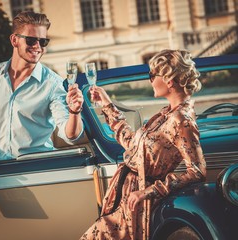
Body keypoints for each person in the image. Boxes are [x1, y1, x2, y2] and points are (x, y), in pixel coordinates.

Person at [80, 49, 206, 240]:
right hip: (124, 196)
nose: (150, 80)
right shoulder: (167, 114)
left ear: (169, 80)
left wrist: (147, 192)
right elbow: (131, 144)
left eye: (152, 75)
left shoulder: (181, 120)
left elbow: (197, 171)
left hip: (137, 201)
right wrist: (107, 104)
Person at [0, 11, 84, 180]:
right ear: (14, 40)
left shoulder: (53, 83)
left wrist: (75, 112)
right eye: (31, 40)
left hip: (40, 172)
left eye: (43, 41)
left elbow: (70, 135)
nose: (38, 46)